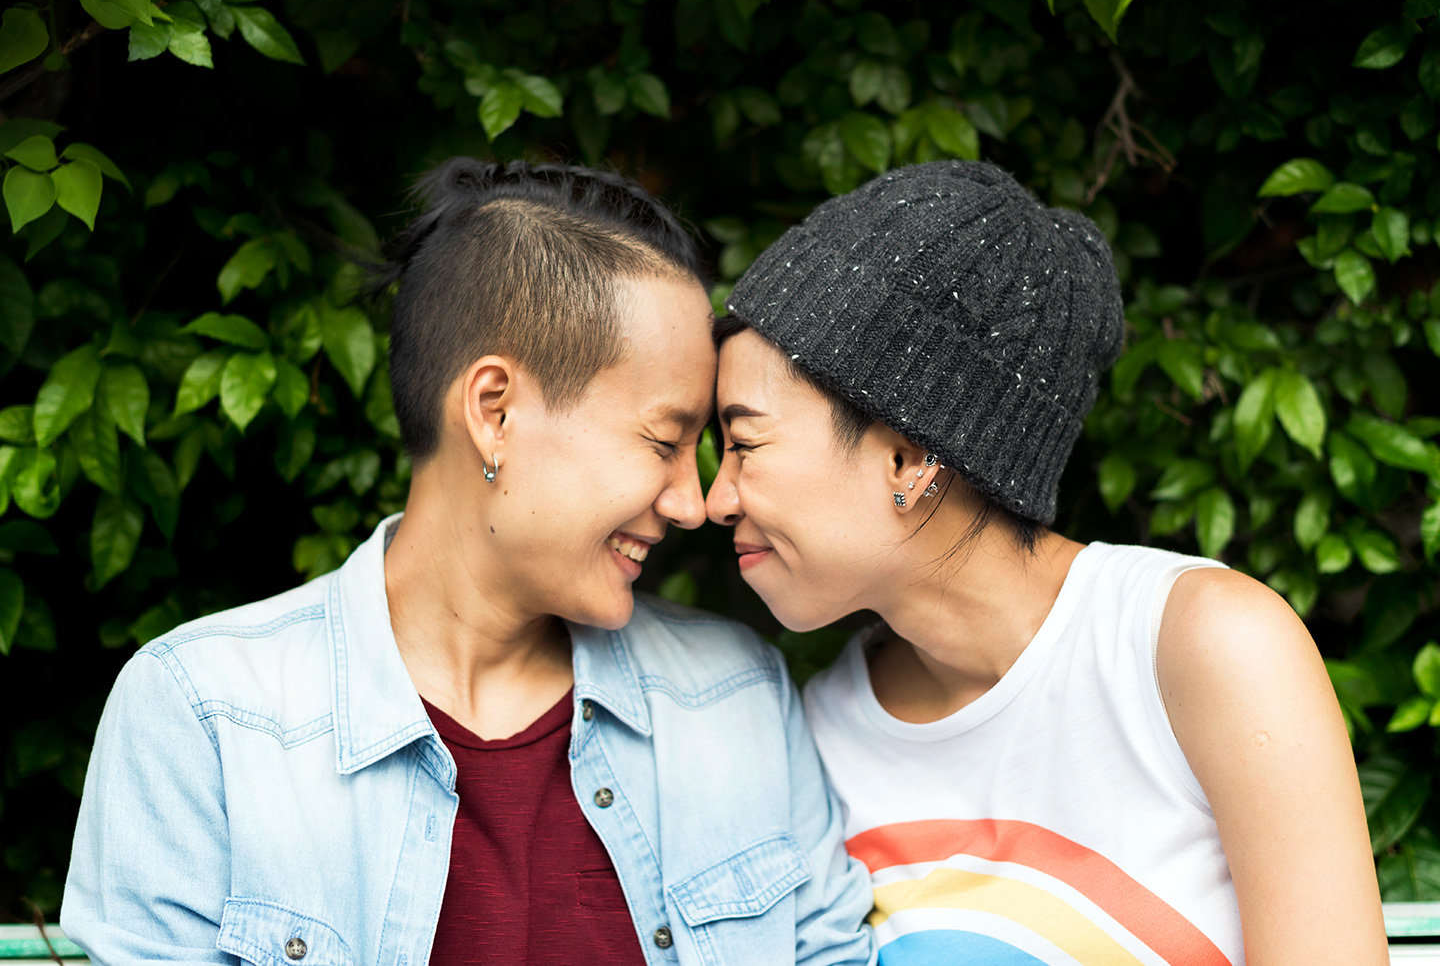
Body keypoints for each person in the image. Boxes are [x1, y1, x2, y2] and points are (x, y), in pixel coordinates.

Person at [61, 159, 874, 966]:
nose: (691, 503)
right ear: (495, 410)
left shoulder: (737, 698)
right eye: (664, 443)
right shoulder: (204, 719)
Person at [704, 160, 1388, 966]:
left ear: (909, 457)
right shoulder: (820, 728)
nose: (714, 501)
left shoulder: (1202, 646)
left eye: (745, 446)